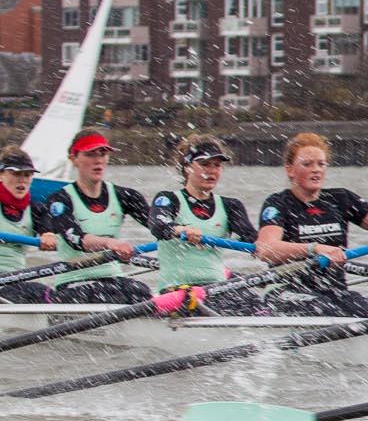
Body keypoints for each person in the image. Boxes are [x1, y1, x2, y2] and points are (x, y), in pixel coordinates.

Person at [254, 132, 368, 319]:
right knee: (334, 309)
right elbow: (266, 249)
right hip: (285, 290)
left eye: (321, 164)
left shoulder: (341, 199)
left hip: (333, 291)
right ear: (290, 169)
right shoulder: (278, 203)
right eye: (307, 164)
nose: (316, 170)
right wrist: (314, 249)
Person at [43, 129, 153, 305]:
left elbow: (158, 226)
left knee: (141, 291)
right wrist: (110, 243)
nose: (98, 160)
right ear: (74, 159)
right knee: (108, 293)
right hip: (74, 282)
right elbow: (76, 239)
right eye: (90, 154)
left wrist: (182, 229)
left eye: (103, 153)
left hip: (113, 279)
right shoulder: (60, 200)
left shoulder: (126, 196)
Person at [146, 133, 260, 302]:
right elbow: (157, 225)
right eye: (204, 164)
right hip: (177, 290)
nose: (212, 171)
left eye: (217, 165)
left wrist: (263, 246)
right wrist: (180, 229)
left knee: (257, 303)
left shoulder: (231, 206)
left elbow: (251, 238)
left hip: (217, 288)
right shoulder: (169, 199)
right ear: (187, 167)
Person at [0, 144, 57, 304]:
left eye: (27, 174)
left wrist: (49, 234)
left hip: (15, 281)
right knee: (37, 292)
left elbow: (48, 227)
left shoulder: (35, 209)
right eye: (16, 173)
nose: (22, 179)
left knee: (46, 294)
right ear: (1, 174)